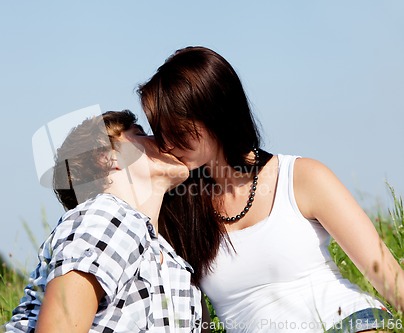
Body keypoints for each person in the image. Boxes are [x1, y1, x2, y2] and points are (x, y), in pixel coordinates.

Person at [137, 46, 404, 332]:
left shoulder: (301, 177)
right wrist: (142, 150)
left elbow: (387, 276)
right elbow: (90, 174)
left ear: (214, 113)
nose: (166, 143)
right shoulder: (178, 209)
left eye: (176, 131)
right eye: (157, 132)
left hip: (347, 322)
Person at [0, 110, 203, 332]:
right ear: (108, 157)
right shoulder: (106, 217)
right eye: (140, 134)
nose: (160, 140)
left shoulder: (172, 260)